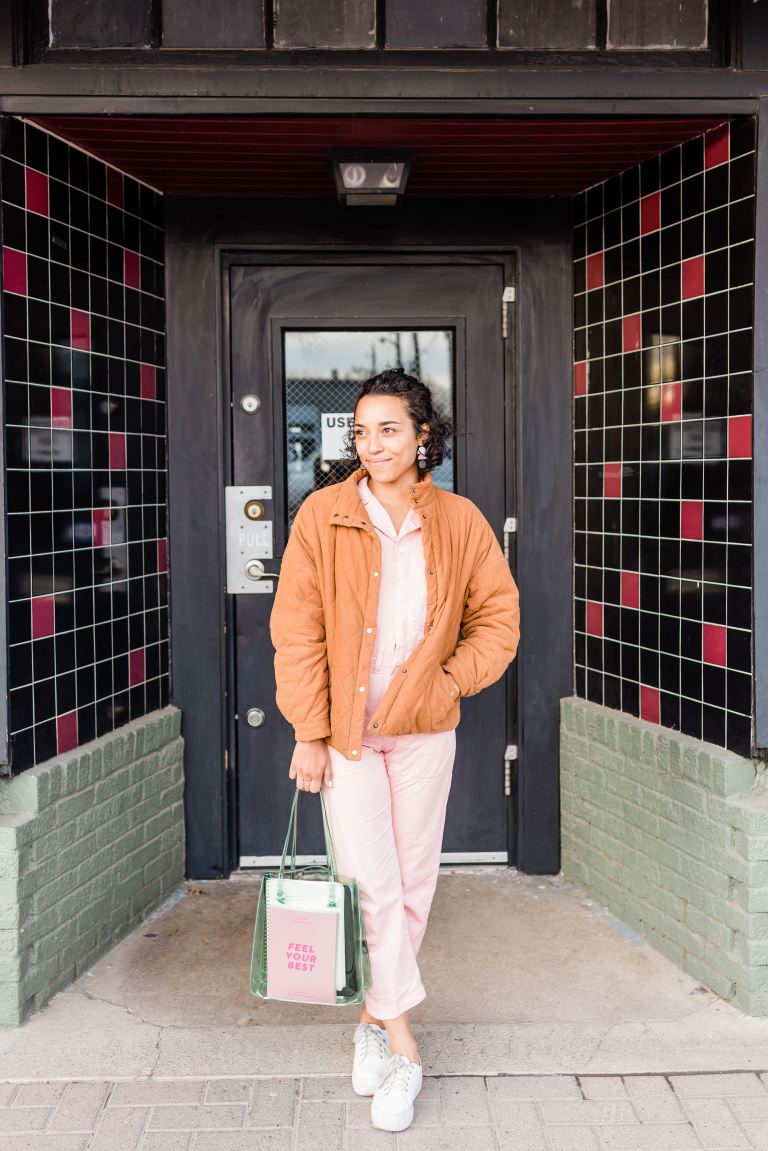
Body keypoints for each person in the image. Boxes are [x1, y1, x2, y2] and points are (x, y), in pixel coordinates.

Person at [269, 367, 520, 1133]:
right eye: (361, 430)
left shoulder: (460, 521)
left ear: (422, 436)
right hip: (346, 737)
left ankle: (371, 1024)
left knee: (412, 886)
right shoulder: (323, 516)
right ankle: (406, 1047)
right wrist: (309, 730)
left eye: (387, 429)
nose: (370, 443)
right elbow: (296, 631)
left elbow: (499, 621)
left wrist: (446, 681)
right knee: (371, 882)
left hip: (424, 732)